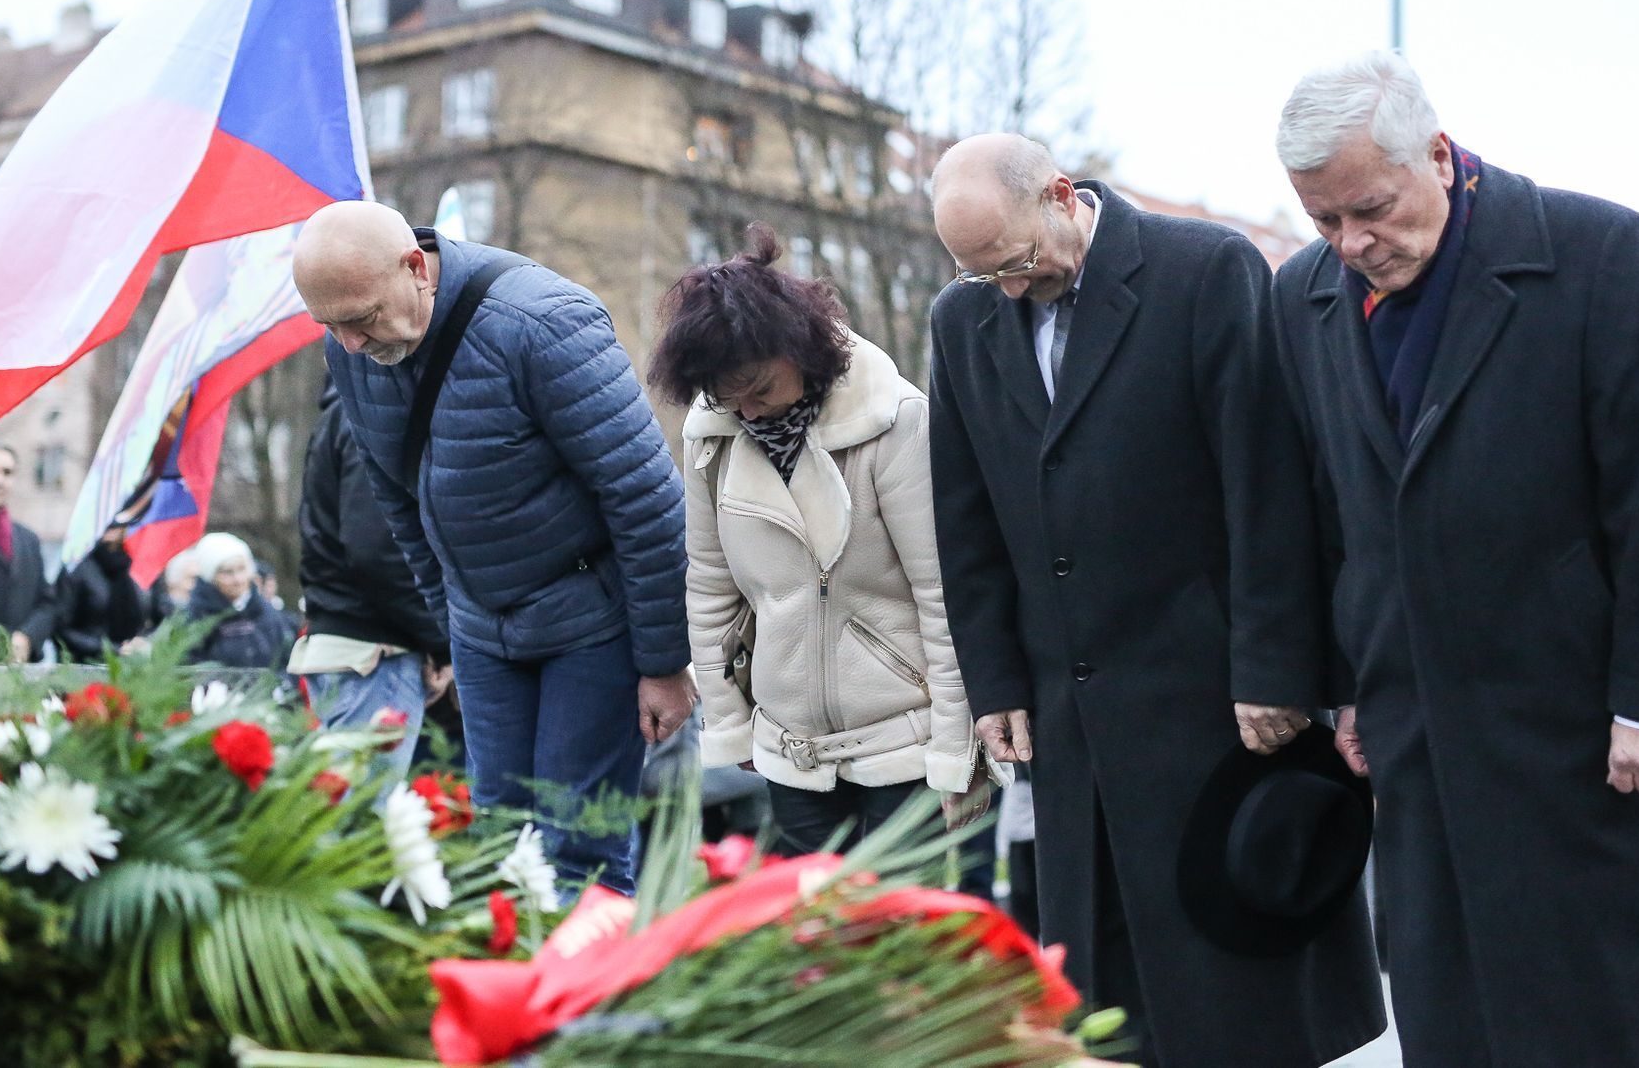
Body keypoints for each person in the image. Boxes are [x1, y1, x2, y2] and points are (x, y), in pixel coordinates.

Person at [1268, 51, 1639, 1065]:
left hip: (1591, 728)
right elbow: (1325, 512)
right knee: (1457, 1023)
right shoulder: (1302, 297)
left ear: (1437, 155)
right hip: (1419, 735)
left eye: (1372, 209)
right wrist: (1346, 689)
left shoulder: (1597, 251)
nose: (1351, 243)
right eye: (1322, 221)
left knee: (1604, 1019)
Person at [927, 133, 1384, 1067]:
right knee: (1107, 999)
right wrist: (995, 684)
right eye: (983, 275)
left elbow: (1265, 486)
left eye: (1016, 262)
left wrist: (1275, 668)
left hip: (1216, 705)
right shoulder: (961, 318)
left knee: (1235, 986)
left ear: (1061, 196)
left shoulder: (1200, 270)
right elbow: (965, 518)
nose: (1010, 289)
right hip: (1072, 719)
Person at [291, 201, 692, 894]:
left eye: (361, 318)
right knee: (499, 848)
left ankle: (586, 999)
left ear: (415, 268)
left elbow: (647, 497)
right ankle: (507, 998)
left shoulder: (542, 323)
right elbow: (398, 501)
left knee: (578, 847)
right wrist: (449, 626)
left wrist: (662, 661)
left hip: (590, 624)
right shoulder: (352, 352)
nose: (351, 345)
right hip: (483, 632)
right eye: (330, 327)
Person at [647, 226, 992, 857]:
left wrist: (954, 747)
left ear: (800, 352)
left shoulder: (895, 420)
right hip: (791, 747)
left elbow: (943, 592)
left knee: (903, 941)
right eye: (728, 398)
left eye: (761, 389)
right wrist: (731, 724)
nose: (750, 412)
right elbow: (709, 586)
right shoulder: (711, 440)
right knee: (808, 943)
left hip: (904, 740)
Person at [290, 378, 449, 781]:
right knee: (366, 824)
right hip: (374, 658)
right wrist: (441, 640)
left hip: (351, 650)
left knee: (345, 820)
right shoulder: (366, 420)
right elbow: (379, 552)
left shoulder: (337, 417)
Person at [0, 444, 58, 662]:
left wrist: (27, 637)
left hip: (21, 670)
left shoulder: (28, 540)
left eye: (7, 472)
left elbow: (47, 602)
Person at [179, 532, 294, 670]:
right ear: (211, 577)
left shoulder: (267, 613)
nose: (238, 579)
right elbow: (188, 667)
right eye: (228, 572)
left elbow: (287, 660)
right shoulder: (194, 618)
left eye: (242, 569)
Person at [54, 524, 148, 660]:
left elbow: (161, 615)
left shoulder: (140, 565)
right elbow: (61, 629)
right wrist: (112, 649)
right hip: (87, 664)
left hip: (135, 664)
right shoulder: (76, 567)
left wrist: (144, 643)